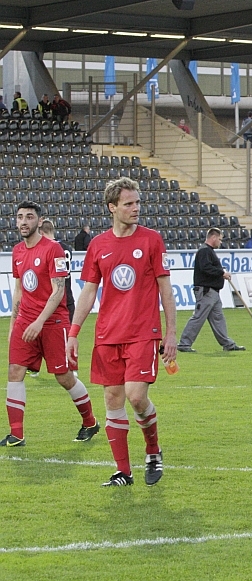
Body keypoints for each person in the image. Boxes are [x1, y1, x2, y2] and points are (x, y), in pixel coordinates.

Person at [67, 179, 177, 487]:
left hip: (143, 332)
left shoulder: (152, 240)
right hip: (107, 335)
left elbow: (166, 290)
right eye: (129, 204)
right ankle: (123, 472)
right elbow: (89, 291)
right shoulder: (98, 245)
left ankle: (153, 451)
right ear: (112, 207)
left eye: (137, 202)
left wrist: (170, 333)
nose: (136, 208)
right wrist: (73, 333)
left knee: (136, 397)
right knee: (112, 398)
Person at [3, 202, 99, 447]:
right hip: (25, 321)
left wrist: (39, 322)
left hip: (53, 322)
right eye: (20, 217)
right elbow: (19, 290)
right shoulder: (17, 251)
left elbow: (58, 291)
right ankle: (16, 434)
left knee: (63, 377)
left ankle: (90, 422)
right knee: (15, 371)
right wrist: (14, 324)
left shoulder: (53, 249)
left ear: (39, 221)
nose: (23, 222)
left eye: (29, 217)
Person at [177, 228, 246, 354]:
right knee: (198, 317)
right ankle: (184, 343)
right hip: (206, 291)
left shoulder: (208, 251)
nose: (220, 242)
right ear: (213, 237)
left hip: (212, 292)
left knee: (218, 318)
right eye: (219, 239)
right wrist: (221, 273)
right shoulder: (204, 251)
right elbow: (206, 268)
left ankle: (227, 344)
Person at [38, 219, 75, 322]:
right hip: (68, 297)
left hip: (53, 300)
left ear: (41, 232)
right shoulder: (67, 248)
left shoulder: (48, 249)